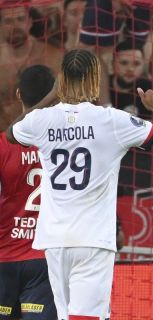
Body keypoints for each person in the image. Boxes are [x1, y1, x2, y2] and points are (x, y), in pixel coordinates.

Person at [6, 49, 153, 319]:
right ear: (96, 78)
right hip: (92, 239)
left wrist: (51, 96)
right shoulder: (112, 120)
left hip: (53, 241)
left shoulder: (40, 120)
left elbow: (10, 134)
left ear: (62, 79)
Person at [0, 65, 57, 320]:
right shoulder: (63, 145)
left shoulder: (3, 145)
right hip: (44, 258)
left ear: (18, 94)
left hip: (4, 257)